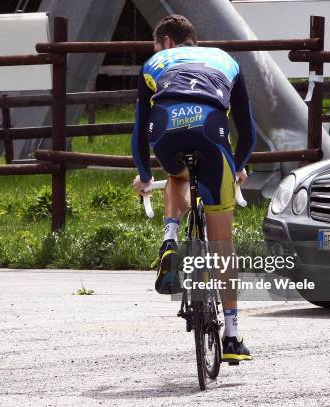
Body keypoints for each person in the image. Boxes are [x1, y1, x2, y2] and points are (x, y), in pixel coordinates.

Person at [132, 15, 256, 362]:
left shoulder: (154, 63)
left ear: (167, 43)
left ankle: (170, 239)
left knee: (177, 176)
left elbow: (140, 129)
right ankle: (231, 337)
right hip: (211, 129)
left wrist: (143, 175)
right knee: (222, 242)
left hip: (167, 128)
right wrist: (239, 165)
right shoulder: (226, 60)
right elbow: (247, 132)